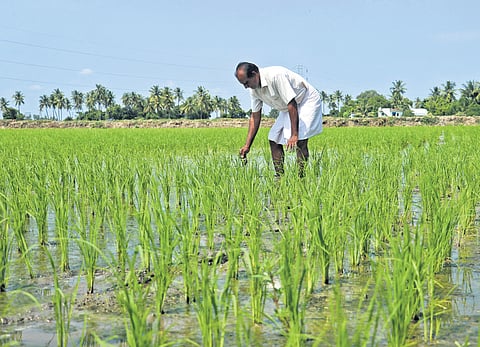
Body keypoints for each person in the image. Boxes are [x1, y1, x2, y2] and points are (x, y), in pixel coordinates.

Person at [235, 62, 323, 177]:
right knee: (274, 138)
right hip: (288, 107)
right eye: (243, 84)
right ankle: (279, 176)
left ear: (254, 74)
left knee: (300, 140)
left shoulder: (276, 76)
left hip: (306, 100)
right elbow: (255, 116)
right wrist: (247, 146)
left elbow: (292, 102)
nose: (246, 87)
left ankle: (301, 178)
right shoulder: (254, 89)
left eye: (246, 83)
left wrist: (294, 134)